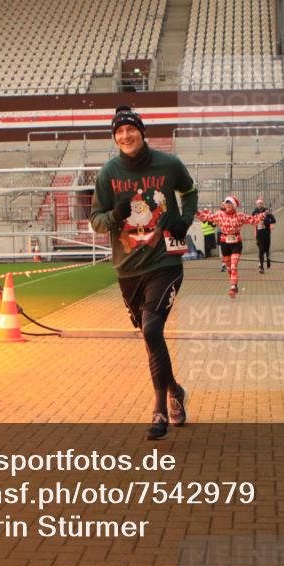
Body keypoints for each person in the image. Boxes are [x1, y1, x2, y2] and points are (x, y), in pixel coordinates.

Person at [90, 105, 196, 441]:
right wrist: (115, 216)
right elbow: (96, 221)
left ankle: (159, 411)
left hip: (165, 263)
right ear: (115, 137)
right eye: (119, 131)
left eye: (130, 129)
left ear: (141, 131)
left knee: (152, 329)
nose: (126, 135)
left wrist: (185, 219)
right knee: (152, 338)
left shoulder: (169, 164)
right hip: (128, 269)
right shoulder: (108, 173)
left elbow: (189, 191)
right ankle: (175, 390)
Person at [196, 196, 266, 298]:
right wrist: (196, 211)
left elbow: (253, 219)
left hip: (236, 243)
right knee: (229, 268)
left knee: (233, 266)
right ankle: (234, 283)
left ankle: (233, 286)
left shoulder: (240, 216)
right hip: (224, 244)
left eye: (230, 203)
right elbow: (206, 218)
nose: (228, 205)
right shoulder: (219, 214)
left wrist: (264, 214)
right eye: (226, 203)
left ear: (234, 205)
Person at [251, 197, 276, 273]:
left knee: (266, 249)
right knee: (261, 249)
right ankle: (261, 266)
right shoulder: (254, 212)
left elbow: (273, 220)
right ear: (256, 204)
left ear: (263, 204)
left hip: (267, 233)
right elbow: (252, 221)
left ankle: (268, 259)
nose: (260, 204)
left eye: (261, 203)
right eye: (258, 203)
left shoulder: (267, 211)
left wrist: (266, 220)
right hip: (259, 233)